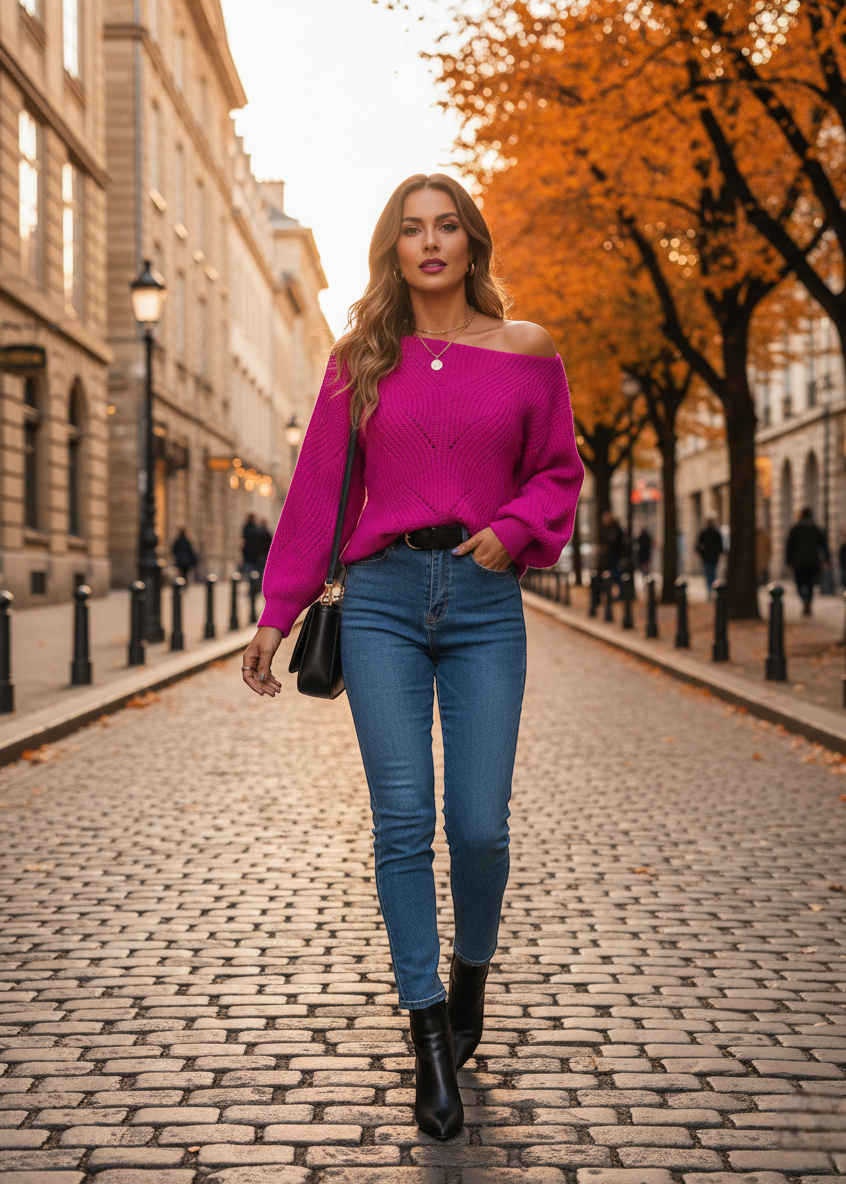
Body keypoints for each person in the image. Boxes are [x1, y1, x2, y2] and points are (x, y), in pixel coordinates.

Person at [240, 174, 583, 1140]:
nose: (429, 244)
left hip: (482, 603)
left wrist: (513, 529)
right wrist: (279, 608)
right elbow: (318, 491)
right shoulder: (361, 358)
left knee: (478, 828)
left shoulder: (527, 353)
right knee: (402, 822)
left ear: (472, 243)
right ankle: (429, 1031)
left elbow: (559, 468)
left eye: (447, 228)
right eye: (410, 230)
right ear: (393, 249)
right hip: (383, 598)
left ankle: (472, 970)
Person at [785, 506, 828, 615]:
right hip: (812, 562)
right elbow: (823, 545)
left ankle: (804, 601)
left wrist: (788, 562)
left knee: (799, 584)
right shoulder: (815, 529)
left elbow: (789, 547)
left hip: (798, 562)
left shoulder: (795, 529)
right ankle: (808, 601)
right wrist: (826, 559)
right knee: (810, 584)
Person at [696, 516, 724, 596]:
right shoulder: (716, 533)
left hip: (706, 558)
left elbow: (697, 546)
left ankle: (710, 589)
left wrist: (702, 553)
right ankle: (712, 588)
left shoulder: (704, 533)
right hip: (713, 557)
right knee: (713, 573)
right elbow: (720, 546)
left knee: (708, 574)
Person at [598, 510, 625, 595]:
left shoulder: (614, 529)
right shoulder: (608, 529)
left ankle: (622, 593)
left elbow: (615, 543)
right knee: (611, 574)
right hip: (611, 556)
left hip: (615, 555)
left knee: (616, 574)